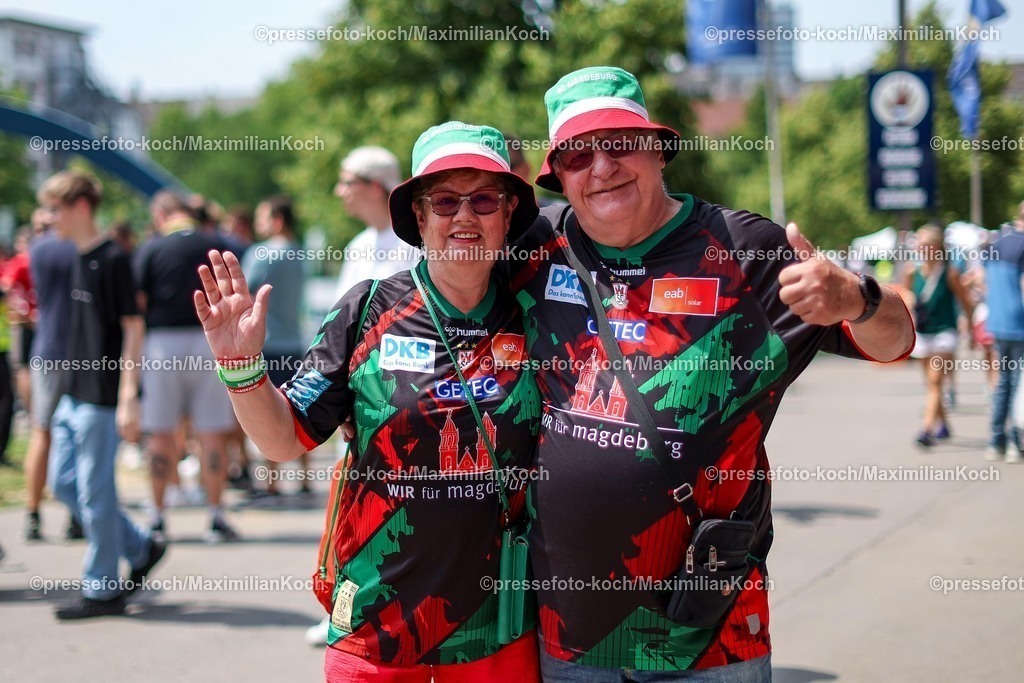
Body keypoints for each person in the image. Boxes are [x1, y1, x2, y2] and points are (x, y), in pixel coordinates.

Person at [508, 66, 915, 681]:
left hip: (709, 631)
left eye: (619, 144)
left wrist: (859, 298)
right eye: (577, 154)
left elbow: (896, 340)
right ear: (557, 175)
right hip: (570, 637)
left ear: (657, 150)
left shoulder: (744, 248)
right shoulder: (538, 249)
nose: (601, 167)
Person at [194, 122, 542, 681]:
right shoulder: (368, 310)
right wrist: (242, 368)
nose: (464, 216)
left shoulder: (537, 311)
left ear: (507, 215)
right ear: (419, 217)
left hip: (497, 628)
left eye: (483, 199)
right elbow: (284, 439)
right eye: (445, 200)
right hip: (378, 621)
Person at [37, 171, 165, 619]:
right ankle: (139, 545)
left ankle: (103, 587)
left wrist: (129, 396)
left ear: (82, 207)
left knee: (94, 492)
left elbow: (133, 328)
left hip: (104, 396)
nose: (49, 217)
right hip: (74, 392)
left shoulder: (112, 259)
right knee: (64, 483)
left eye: (56, 208)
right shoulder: (72, 255)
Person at [135, 191, 239, 542]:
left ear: (162, 214)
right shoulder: (216, 243)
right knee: (211, 431)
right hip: (208, 340)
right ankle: (215, 514)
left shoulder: (151, 248)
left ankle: (158, 515)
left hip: (163, 342)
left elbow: (138, 302)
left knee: (161, 432)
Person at [241, 196, 311, 495]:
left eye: (263, 217)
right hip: (294, 341)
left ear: (278, 220)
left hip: (267, 343)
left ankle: (271, 482)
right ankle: (306, 479)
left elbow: (243, 288)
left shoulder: (262, 253)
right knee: (300, 410)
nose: (258, 224)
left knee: (268, 413)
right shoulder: (300, 253)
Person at [23, 218, 80, 541]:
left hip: (46, 349)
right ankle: (76, 514)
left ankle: (32, 514)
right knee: (78, 434)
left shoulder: (38, 250)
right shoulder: (81, 249)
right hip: (81, 353)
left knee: (41, 432)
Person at [903, 224, 973, 448]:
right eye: (918, 245)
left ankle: (926, 430)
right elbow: (902, 295)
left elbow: (965, 302)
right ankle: (943, 423)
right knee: (931, 384)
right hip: (922, 332)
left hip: (945, 331)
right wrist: (909, 301)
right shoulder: (912, 271)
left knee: (935, 380)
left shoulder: (950, 272)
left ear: (936, 247)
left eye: (924, 245)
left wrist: (971, 329)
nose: (920, 249)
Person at [333, 145, 420, 300]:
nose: (339, 191)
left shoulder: (415, 242)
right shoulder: (358, 245)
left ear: (375, 187)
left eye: (347, 183)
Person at [984, 201, 1024, 463]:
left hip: (998, 322)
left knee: (1003, 383)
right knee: (1019, 385)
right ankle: (1014, 441)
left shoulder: (996, 242)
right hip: (1019, 323)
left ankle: (996, 439)